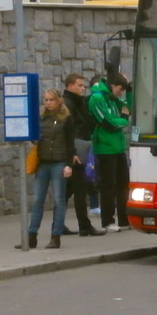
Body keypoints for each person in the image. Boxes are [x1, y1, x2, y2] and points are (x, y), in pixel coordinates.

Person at [19, 89, 74, 249]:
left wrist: (68, 164)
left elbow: (70, 143)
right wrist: (33, 139)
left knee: (59, 200)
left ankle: (55, 236)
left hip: (59, 163)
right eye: (45, 100)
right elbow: (36, 139)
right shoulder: (42, 118)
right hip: (43, 163)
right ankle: (31, 236)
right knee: (37, 200)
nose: (48, 103)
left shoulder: (66, 119)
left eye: (51, 100)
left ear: (58, 101)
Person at [62, 73, 105, 236]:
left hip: (76, 149)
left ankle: (58, 224)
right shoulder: (69, 103)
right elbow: (70, 129)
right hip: (76, 151)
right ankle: (84, 225)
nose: (82, 88)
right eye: (80, 85)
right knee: (79, 190)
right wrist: (72, 152)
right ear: (70, 86)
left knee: (69, 190)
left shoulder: (77, 102)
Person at [89, 72, 131, 233]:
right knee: (108, 186)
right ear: (113, 85)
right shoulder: (97, 98)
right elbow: (108, 122)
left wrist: (130, 91)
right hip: (105, 148)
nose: (121, 93)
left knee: (123, 183)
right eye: (120, 89)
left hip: (118, 147)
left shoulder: (113, 98)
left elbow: (128, 109)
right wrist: (124, 120)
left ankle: (124, 219)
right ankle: (107, 220)